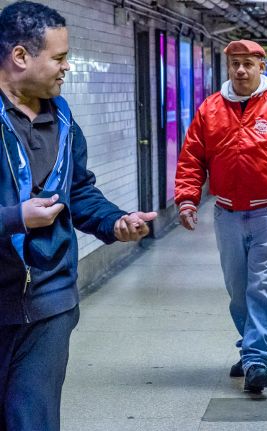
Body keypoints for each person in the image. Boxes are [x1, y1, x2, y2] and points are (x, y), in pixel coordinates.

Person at [0, 2, 156, 430]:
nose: (67, 67)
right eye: (59, 58)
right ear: (20, 56)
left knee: (31, 418)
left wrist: (115, 222)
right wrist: (14, 218)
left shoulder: (63, 118)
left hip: (50, 299)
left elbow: (79, 190)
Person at [175, 39, 267, 393]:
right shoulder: (210, 109)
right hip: (227, 213)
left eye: (248, 63)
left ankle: (257, 359)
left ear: (261, 67)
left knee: (262, 285)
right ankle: (251, 346)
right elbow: (192, 158)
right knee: (238, 290)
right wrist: (187, 199)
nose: (240, 70)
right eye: (235, 63)